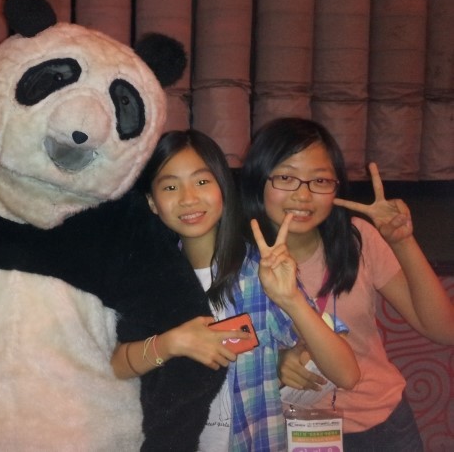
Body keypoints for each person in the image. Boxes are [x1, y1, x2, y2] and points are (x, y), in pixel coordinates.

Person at [111, 129, 359, 451]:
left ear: (223, 189)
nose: (188, 198)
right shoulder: (146, 279)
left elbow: (347, 374)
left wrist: (290, 299)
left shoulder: (258, 273)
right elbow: (115, 365)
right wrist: (171, 343)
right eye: (170, 186)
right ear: (152, 202)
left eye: (202, 181)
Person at [240, 117, 454, 452]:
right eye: (286, 178)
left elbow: (443, 330)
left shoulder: (357, 240)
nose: (303, 195)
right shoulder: (236, 260)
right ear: (259, 180)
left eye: (320, 180)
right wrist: (273, 364)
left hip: (380, 426)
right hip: (283, 431)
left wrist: (402, 241)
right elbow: (222, 350)